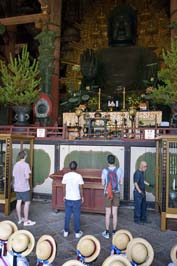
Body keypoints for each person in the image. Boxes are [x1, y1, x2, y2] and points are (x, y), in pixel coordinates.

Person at [101, 154, 123, 239]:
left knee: (107, 213)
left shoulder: (104, 171)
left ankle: (107, 232)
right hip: (116, 192)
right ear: (114, 161)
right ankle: (114, 232)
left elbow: (103, 183)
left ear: (108, 161)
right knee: (115, 213)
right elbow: (121, 183)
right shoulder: (119, 170)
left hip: (107, 193)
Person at [13, 150, 36, 226]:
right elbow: (27, 177)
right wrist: (29, 174)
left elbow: (14, 175)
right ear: (25, 156)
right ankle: (26, 220)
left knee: (18, 202)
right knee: (27, 203)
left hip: (17, 187)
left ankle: (20, 219)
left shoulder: (16, 165)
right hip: (24, 187)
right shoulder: (26, 165)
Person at [62, 161, 84, 239]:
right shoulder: (79, 176)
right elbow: (81, 188)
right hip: (76, 198)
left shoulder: (65, 176)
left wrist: (64, 196)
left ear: (69, 167)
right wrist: (82, 197)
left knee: (67, 215)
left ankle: (65, 231)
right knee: (77, 215)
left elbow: (64, 187)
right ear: (76, 167)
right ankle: (77, 232)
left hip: (68, 198)